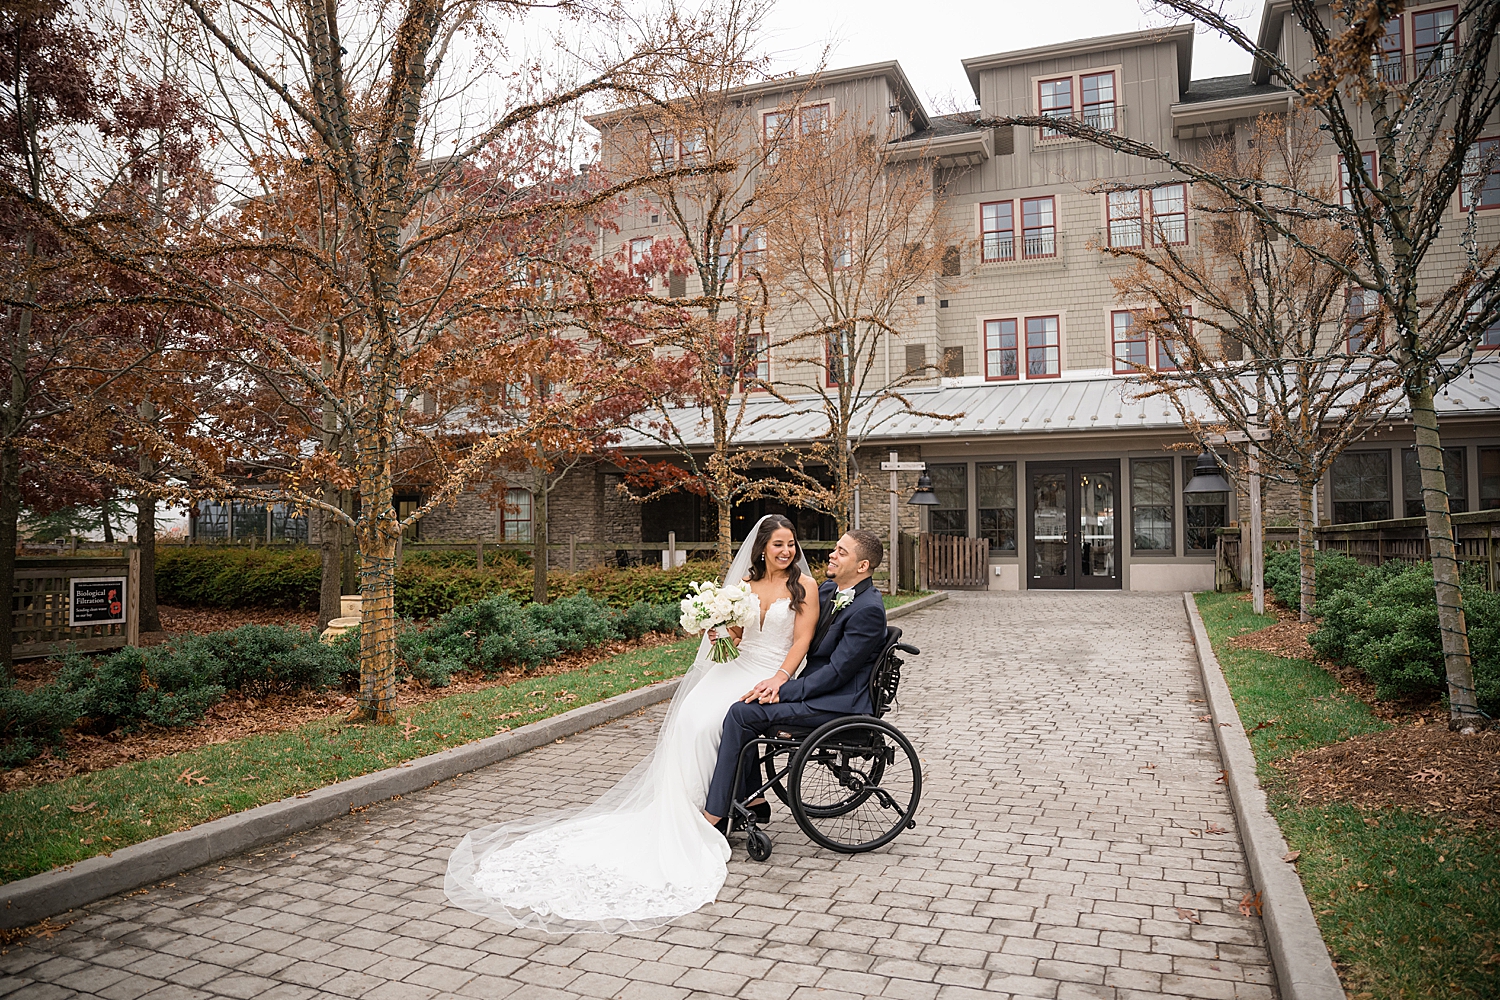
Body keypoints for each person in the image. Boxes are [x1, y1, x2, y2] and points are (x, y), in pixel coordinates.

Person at [444, 514, 818, 933]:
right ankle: (706, 803)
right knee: (691, 717)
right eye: (778, 545)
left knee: (714, 721)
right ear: (762, 548)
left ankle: (716, 809)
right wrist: (719, 634)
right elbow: (736, 633)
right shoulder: (745, 585)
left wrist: (779, 679)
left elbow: (801, 640)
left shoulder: (804, 586)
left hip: (772, 671)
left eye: (791, 544)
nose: (786, 552)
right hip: (739, 665)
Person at [702, 529, 888, 828]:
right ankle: (752, 802)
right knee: (742, 706)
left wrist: (783, 688)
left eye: (842, 552)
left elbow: (837, 673)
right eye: (835, 548)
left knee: (741, 713)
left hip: (837, 704)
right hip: (817, 691)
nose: (832, 554)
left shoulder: (868, 610)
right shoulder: (828, 591)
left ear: (862, 566)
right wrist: (730, 629)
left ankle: (715, 814)